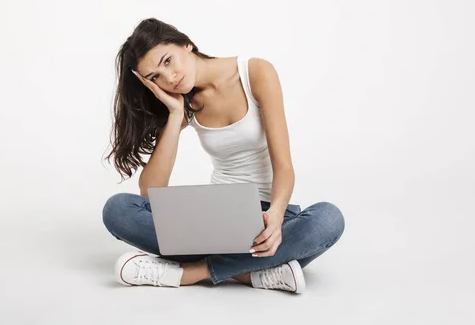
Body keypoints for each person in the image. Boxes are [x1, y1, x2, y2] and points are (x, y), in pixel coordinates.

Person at [102, 17, 345, 293]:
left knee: (328, 219)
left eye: (167, 61)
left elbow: (284, 166)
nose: (169, 78)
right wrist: (175, 114)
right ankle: (254, 272)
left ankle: (192, 272)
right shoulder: (186, 102)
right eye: (155, 77)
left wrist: (276, 216)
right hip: (216, 220)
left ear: (186, 44)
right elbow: (151, 190)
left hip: (270, 216)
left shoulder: (255, 72)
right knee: (117, 209)